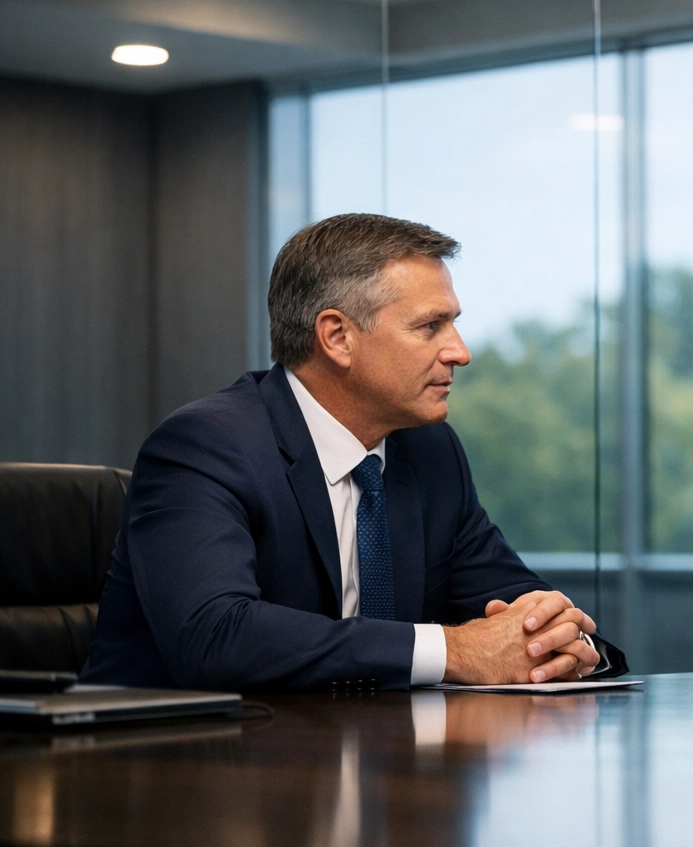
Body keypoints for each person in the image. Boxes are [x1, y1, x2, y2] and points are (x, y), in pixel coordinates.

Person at [82, 213, 625, 691]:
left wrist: (564, 644)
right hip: (172, 778)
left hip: (370, 769)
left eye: (454, 323)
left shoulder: (430, 451)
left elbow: (516, 605)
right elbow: (215, 637)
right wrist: (455, 651)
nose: (460, 351)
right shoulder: (206, 446)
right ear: (337, 337)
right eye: (431, 326)